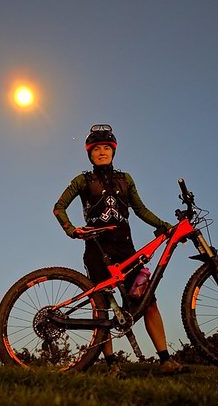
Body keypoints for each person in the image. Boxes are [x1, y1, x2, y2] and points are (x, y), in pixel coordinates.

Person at [53, 124, 185, 376]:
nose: (101, 152)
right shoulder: (82, 180)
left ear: (113, 151)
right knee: (102, 308)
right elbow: (59, 207)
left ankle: (165, 360)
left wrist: (165, 226)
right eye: (96, 149)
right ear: (89, 154)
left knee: (148, 302)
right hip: (97, 247)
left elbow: (140, 209)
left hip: (126, 248)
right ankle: (112, 365)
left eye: (106, 148)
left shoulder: (126, 180)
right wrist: (72, 230)